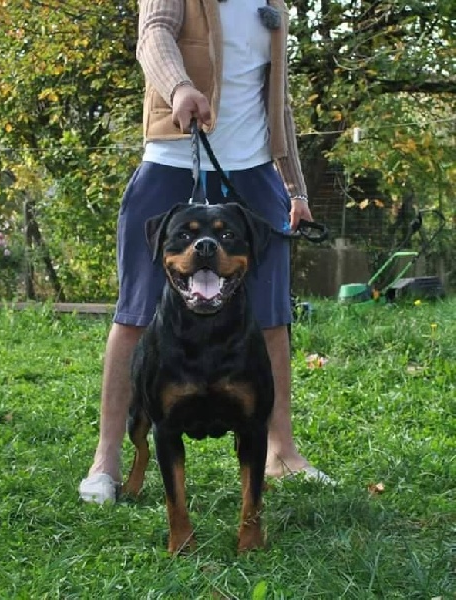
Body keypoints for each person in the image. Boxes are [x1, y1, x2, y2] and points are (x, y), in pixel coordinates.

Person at [79, 0, 332, 503]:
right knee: (135, 313)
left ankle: (282, 451)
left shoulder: (271, 4)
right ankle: (106, 459)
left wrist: (295, 189)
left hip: (255, 171)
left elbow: (278, 103)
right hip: (173, 160)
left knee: (272, 316)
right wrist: (179, 87)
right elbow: (153, 34)